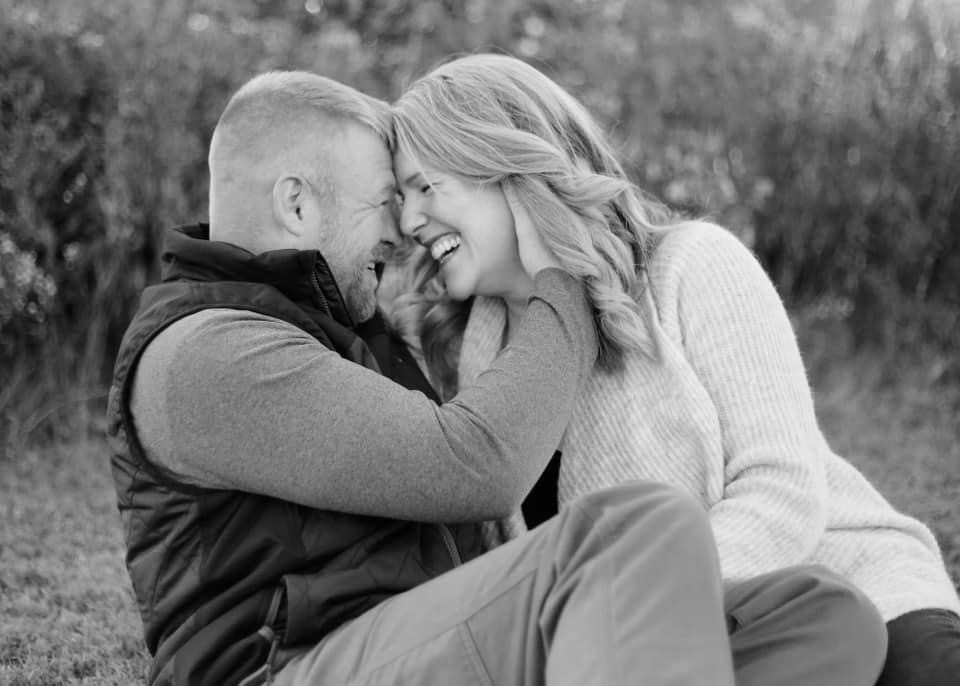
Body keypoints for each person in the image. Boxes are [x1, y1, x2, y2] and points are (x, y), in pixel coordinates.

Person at [105, 70, 886, 686]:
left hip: (420, 640)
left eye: (415, 194)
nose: (402, 228)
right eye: (387, 199)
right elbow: (474, 464)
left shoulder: (334, 327)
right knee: (630, 531)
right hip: (294, 665)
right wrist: (566, 272)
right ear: (297, 204)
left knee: (820, 617)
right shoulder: (211, 354)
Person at [386, 53, 960, 686]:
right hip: (668, 659)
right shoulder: (470, 350)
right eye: (400, 197)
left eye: (426, 186)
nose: (410, 220)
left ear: (506, 167)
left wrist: (627, 614)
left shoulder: (692, 266)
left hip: (847, 594)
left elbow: (783, 490)